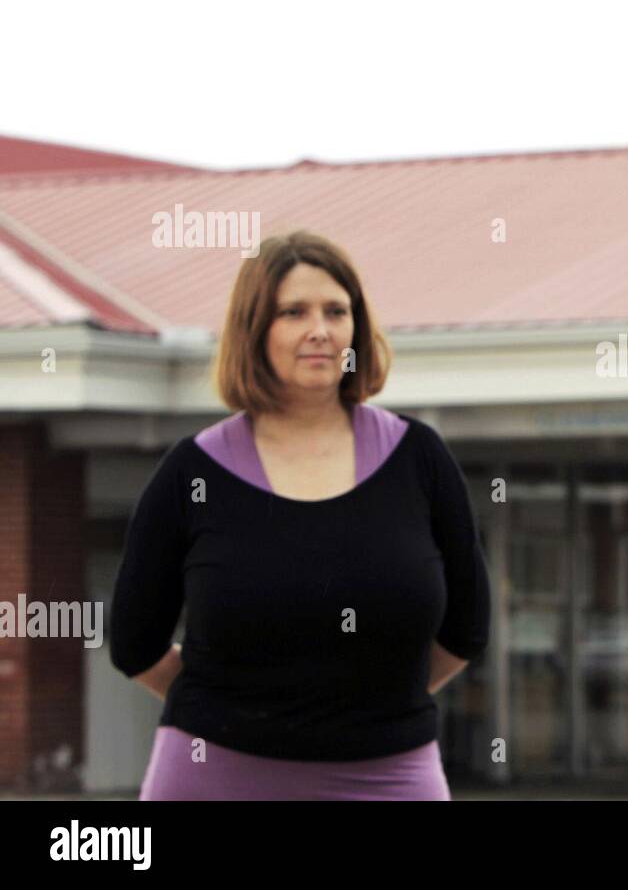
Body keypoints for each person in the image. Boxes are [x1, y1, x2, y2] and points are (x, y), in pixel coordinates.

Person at [109, 230, 490, 799]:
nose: (321, 330)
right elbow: (134, 642)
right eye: (294, 311)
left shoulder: (420, 460)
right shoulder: (193, 471)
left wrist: (366, 705)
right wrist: (235, 717)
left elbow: (467, 629)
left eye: (337, 311)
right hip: (215, 776)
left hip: (390, 775)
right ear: (254, 330)